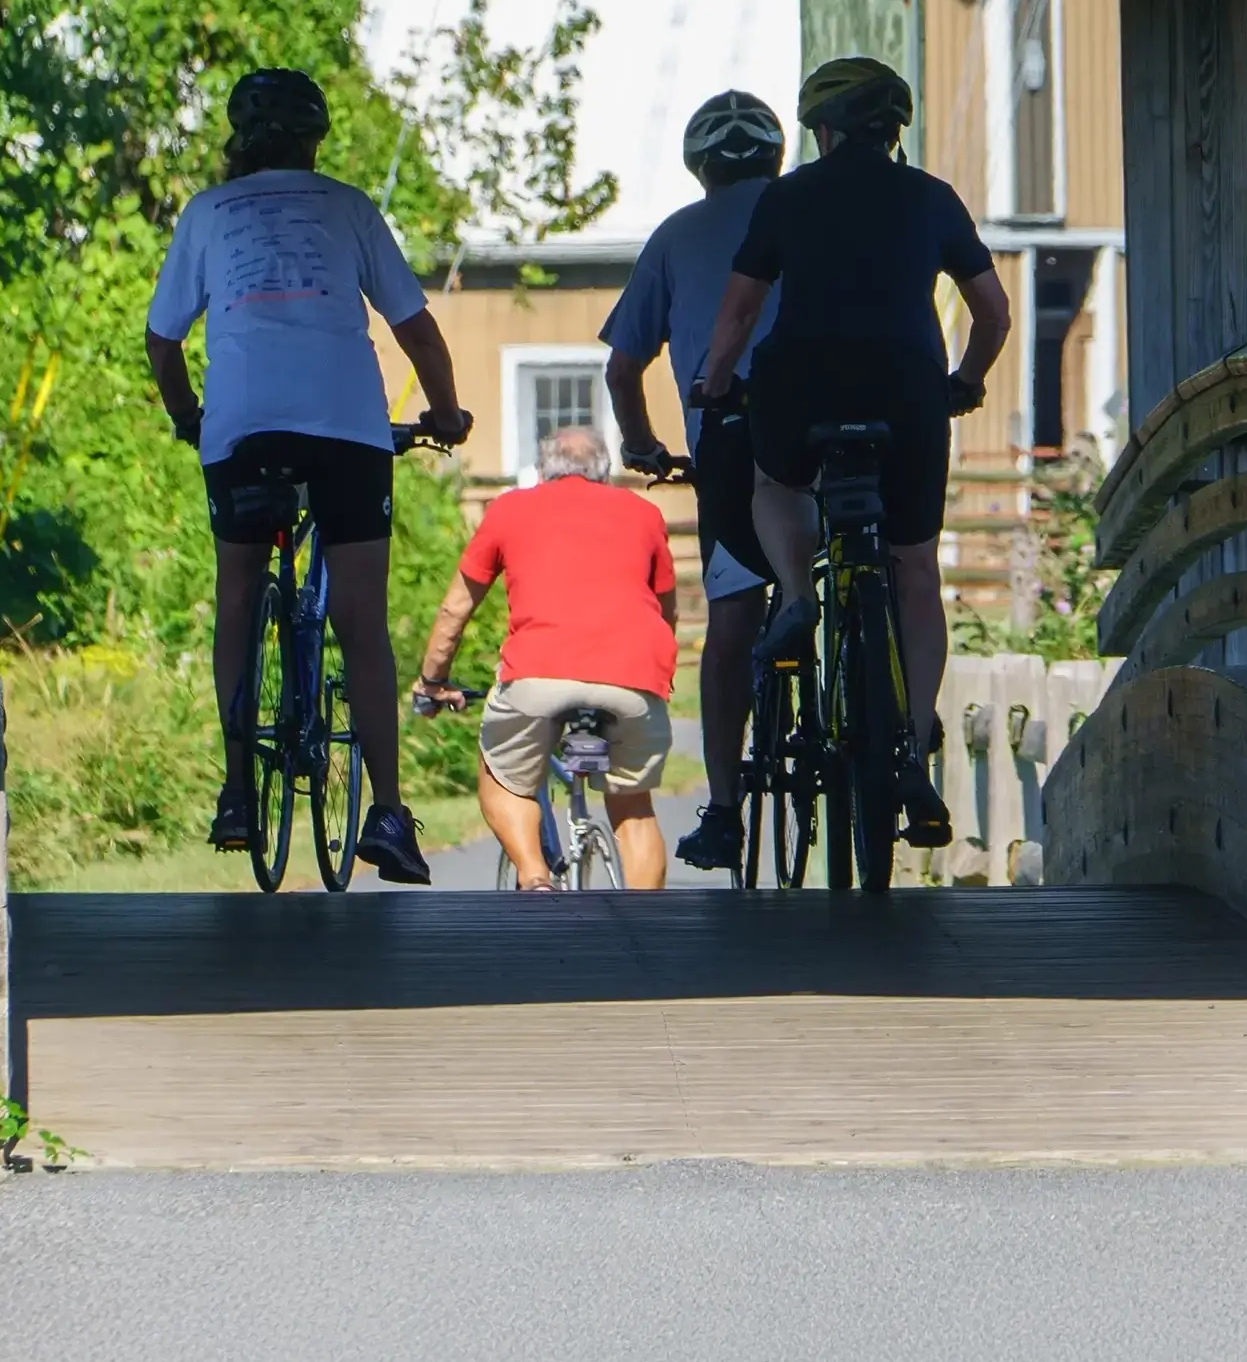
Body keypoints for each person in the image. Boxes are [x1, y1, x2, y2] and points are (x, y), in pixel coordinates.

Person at [144, 67, 470, 886]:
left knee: (237, 591)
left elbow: (163, 340)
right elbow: (418, 331)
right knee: (361, 618)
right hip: (347, 432)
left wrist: (190, 418)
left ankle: (234, 789)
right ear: (316, 138)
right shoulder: (349, 206)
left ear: (237, 139)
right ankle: (389, 814)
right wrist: (446, 413)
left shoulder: (206, 213)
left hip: (242, 432)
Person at [695, 55, 1011, 852]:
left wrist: (715, 382)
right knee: (915, 567)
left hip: (803, 383)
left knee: (775, 482)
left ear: (823, 130)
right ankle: (911, 746)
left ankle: (799, 598)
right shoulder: (933, 198)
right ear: (895, 129)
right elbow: (993, 312)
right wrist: (963, 382)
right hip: (907, 388)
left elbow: (737, 315)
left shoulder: (787, 197)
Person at [600, 89, 787, 874]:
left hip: (731, 443)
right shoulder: (811, 213)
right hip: (828, 421)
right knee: (863, 559)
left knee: (735, 613)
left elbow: (623, 366)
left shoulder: (676, 235)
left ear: (699, 167)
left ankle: (722, 809)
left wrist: (644, 444)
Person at [413, 423, 678, 891]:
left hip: (537, 677)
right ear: (605, 471)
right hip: (634, 679)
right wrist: (656, 673)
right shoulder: (643, 513)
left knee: (502, 774)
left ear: (543, 469)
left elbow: (456, 607)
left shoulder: (510, 508)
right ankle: (646, 929)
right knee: (634, 808)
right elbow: (665, 610)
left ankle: (534, 877)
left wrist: (433, 682)